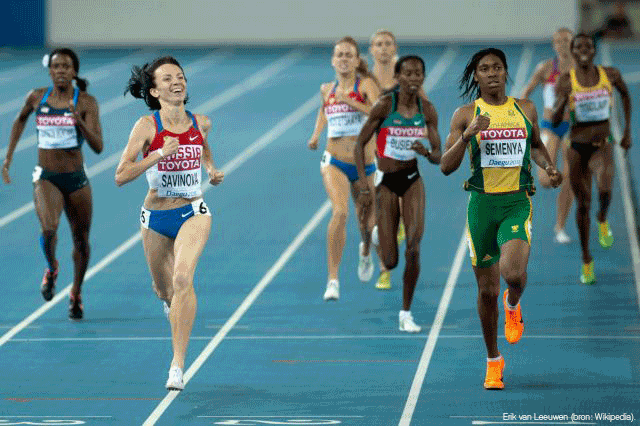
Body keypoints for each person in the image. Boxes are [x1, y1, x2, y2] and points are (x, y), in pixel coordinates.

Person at [440, 48, 562, 389]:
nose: (492, 73)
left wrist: (549, 166)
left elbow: (536, 145)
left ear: (506, 72)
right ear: (475, 76)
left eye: (497, 67)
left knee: (513, 275)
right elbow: (446, 166)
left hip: (516, 203)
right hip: (481, 207)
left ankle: (514, 304)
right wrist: (468, 135)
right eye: (484, 68)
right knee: (485, 291)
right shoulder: (466, 114)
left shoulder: (525, 109)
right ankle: (494, 360)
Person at [116, 56, 224, 390]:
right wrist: (160, 154)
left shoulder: (201, 121)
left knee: (182, 278)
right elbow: (121, 175)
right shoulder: (146, 127)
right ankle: (171, 306)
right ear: (154, 90)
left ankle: (177, 365)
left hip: (193, 211)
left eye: (180, 76)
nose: (177, 82)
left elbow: (203, 146)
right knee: (163, 290)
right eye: (167, 78)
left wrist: (211, 169)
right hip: (155, 217)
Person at [1, 48, 103, 320]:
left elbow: (98, 147)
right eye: (56, 66)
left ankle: (76, 293)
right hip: (46, 177)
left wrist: (78, 119)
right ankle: (52, 267)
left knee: (81, 242)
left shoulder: (87, 102)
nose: (60, 70)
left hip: (77, 180)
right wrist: (8, 157)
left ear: (74, 71)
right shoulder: (37, 97)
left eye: (66, 66)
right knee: (49, 229)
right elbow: (20, 119)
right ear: (50, 70)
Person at [354, 55, 442, 333]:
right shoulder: (384, 106)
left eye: (419, 74)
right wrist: (365, 186)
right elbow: (359, 145)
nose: (414, 79)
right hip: (387, 182)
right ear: (398, 77)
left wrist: (426, 152)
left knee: (414, 247)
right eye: (409, 74)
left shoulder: (427, 110)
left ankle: (406, 312)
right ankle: (375, 237)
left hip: (413, 179)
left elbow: (439, 156)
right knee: (390, 262)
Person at [551, 33, 632, 284]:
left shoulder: (611, 74)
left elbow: (626, 97)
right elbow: (555, 122)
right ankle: (586, 259)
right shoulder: (565, 81)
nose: (583, 50)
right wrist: (562, 104)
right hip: (576, 147)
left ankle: (603, 218)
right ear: (573, 52)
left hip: (603, 144)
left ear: (594, 50)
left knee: (605, 189)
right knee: (583, 204)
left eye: (588, 46)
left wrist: (627, 130)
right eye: (578, 47)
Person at [307, 36, 381, 301]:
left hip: (364, 164)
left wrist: (349, 101)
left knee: (367, 223)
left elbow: (378, 113)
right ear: (332, 60)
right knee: (339, 212)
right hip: (334, 160)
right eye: (339, 55)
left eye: (349, 55)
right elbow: (323, 111)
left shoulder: (366, 85)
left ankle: (364, 252)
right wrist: (316, 135)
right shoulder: (327, 89)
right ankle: (333, 279)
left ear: (357, 60)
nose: (344, 59)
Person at [368, 29, 431, 290]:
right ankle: (384, 270)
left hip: (400, 155)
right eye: (379, 44)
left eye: (388, 44)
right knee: (376, 218)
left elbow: (425, 108)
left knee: (404, 205)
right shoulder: (365, 79)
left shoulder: (406, 78)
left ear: (395, 48)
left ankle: (402, 226)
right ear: (371, 49)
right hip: (374, 154)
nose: (383, 48)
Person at [521, 28, 575, 244]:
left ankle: (560, 226)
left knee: (569, 178)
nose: (561, 44)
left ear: (572, 43)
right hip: (548, 126)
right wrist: (523, 119)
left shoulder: (581, 69)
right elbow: (525, 94)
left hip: (572, 127)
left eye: (565, 40)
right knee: (544, 180)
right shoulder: (545, 68)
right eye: (557, 41)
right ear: (553, 45)